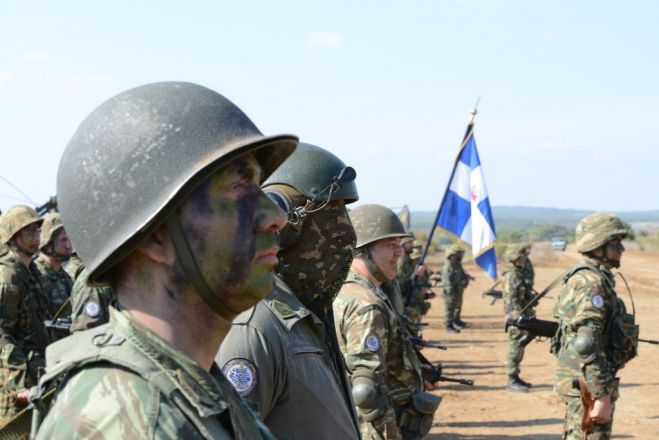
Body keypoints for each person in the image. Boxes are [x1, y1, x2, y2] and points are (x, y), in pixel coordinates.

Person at [30, 81, 298, 439]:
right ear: (155, 235)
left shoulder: (193, 390)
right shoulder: (129, 421)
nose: (275, 216)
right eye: (238, 188)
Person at [217, 142, 361, 440]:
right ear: (283, 223)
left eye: (344, 214)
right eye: (330, 215)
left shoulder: (305, 318)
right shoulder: (253, 328)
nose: (345, 232)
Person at [334, 204, 440, 440]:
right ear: (363, 250)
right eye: (391, 246)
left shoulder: (345, 290)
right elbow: (367, 392)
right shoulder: (366, 304)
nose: (399, 253)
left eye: (399, 246)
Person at [552, 213, 637, 440]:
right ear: (597, 246)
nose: (622, 249)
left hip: (585, 379)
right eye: (615, 243)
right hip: (587, 383)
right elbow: (587, 342)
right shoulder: (591, 283)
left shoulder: (592, 278)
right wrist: (600, 395)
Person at [0, 205, 50, 425]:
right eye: (28, 231)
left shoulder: (32, 271)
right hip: (17, 388)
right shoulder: (7, 276)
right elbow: (2, 335)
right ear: (13, 236)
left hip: (40, 376)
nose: (36, 236)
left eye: (37, 230)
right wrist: (19, 384)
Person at [502, 243, 535, 392]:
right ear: (516, 258)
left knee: (519, 346)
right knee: (515, 347)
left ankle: (515, 376)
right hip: (516, 318)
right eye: (522, 257)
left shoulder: (518, 273)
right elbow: (511, 301)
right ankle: (511, 379)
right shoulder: (512, 276)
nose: (525, 259)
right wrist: (517, 318)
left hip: (522, 315)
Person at [33, 213, 74, 320]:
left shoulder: (64, 276)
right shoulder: (36, 276)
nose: (69, 246)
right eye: (63, 240)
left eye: (69, 239)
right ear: (47, 245)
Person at [441, 245, 470, 333]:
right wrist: (451, 291)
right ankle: (448, 325)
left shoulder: (457, 265)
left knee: (457, 305)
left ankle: (456, 320)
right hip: (451, 292)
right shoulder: (448, 267)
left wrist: (465, 278)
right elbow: (447, 281)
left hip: (458, 289)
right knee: (450, 308)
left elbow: (461, 273)